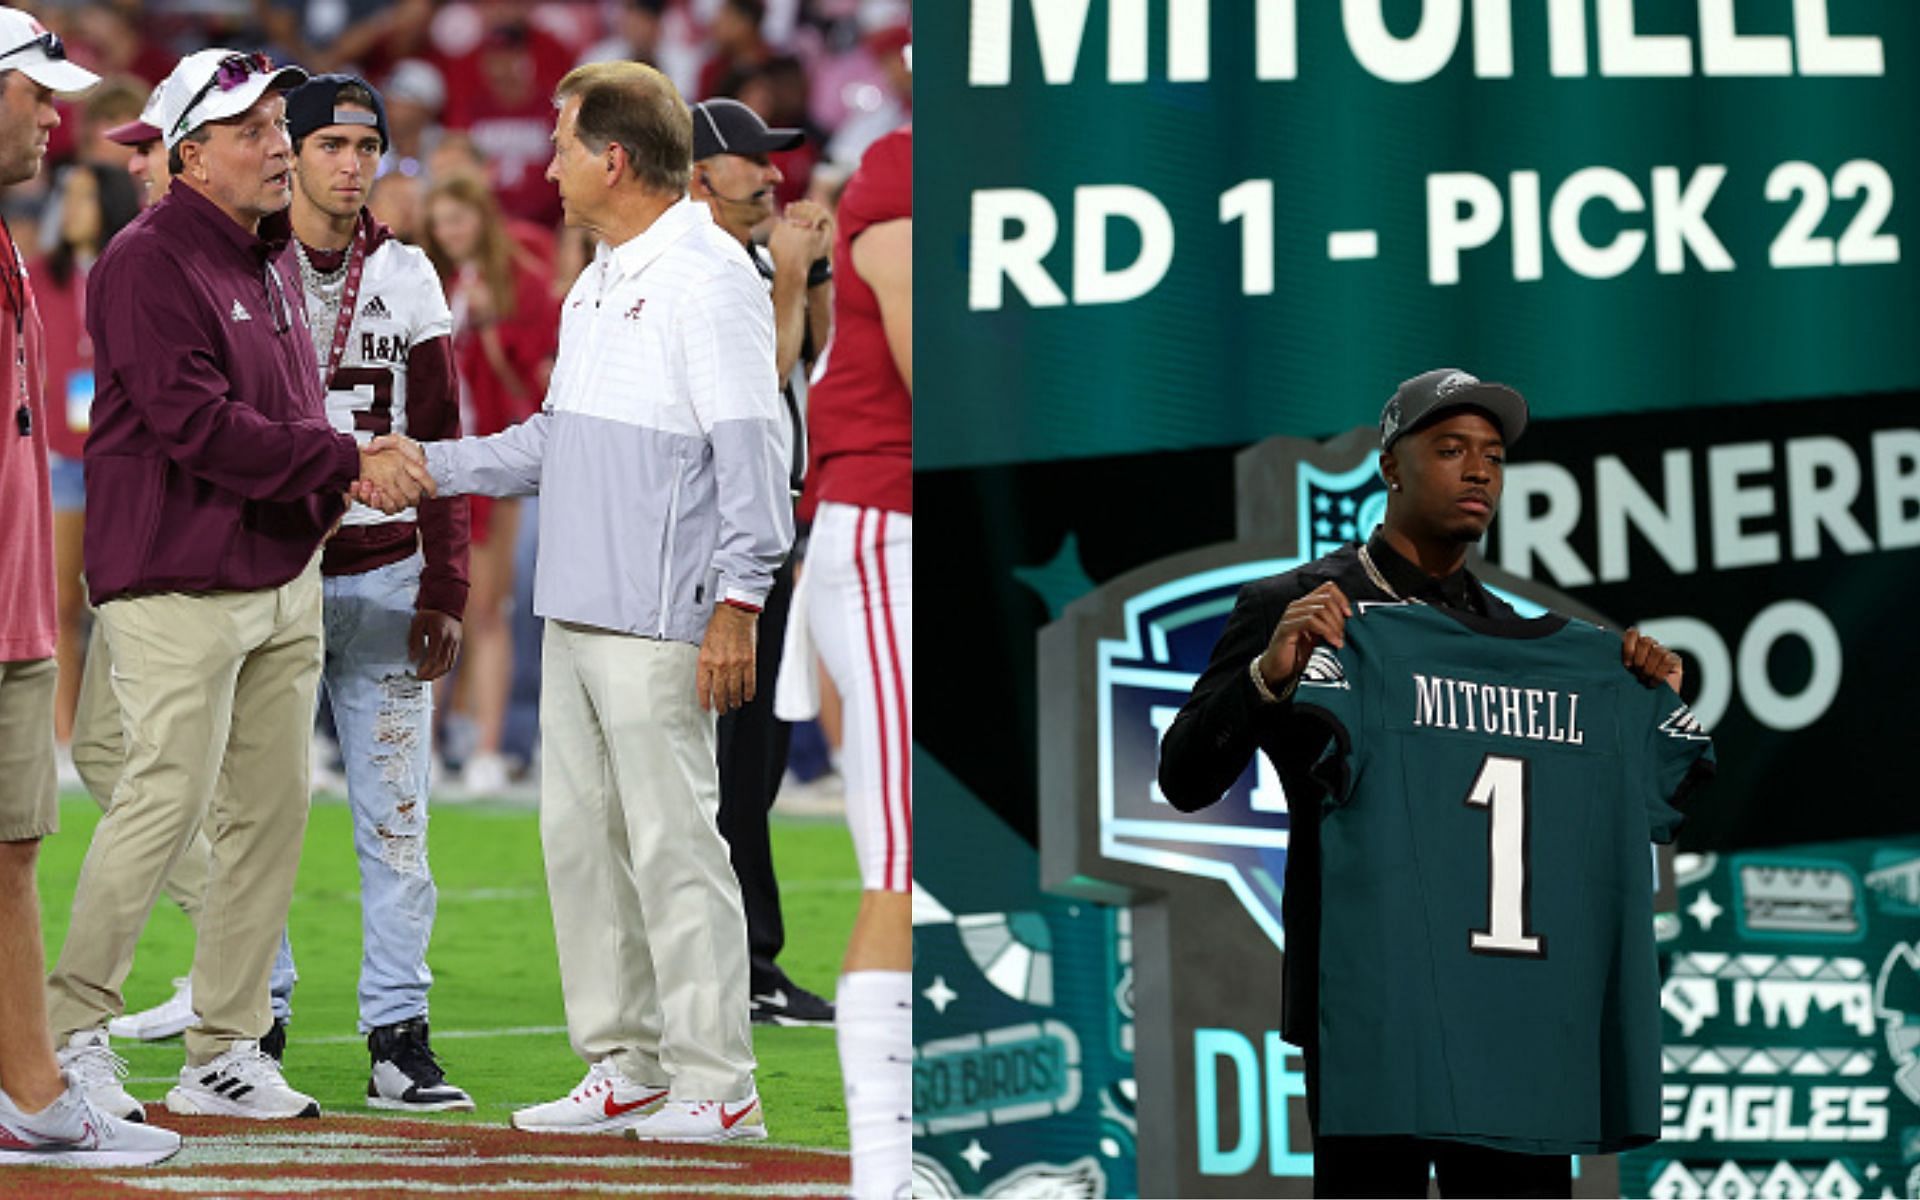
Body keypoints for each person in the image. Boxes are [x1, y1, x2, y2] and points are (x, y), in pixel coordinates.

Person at [359, 59, 790, 1142]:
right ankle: (626, 1063)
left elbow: (757, 446)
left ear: (611, 157)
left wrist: (741, 597)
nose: (540, 167)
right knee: (583, 846)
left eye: (557, 147)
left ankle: (718, 1081)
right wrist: (430, 464)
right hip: (579, 603)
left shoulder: (710, 271)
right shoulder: (600, 273)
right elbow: (556, 441)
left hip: (661, 612)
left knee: (676, 846)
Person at [1157, 368, 1685, 1198]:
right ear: (1391, 467)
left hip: (1516, 1006)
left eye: (1494, 456)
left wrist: (1638, 686)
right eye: (1449, 449)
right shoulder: (1296, 603)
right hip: (1370, 1002)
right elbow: (1185, 777)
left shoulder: (1524, 643)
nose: (1479, 472)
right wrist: (1266, 674)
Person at [44, 46, 433, 1124]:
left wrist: (325, 479)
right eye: (254, 131)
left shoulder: (256, 257)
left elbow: (296, 414)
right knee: (162, 804)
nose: (279, 145)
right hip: (175, 576)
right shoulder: (149, 258)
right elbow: (195, 425)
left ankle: (225, 1048)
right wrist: (344, 465)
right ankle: (70, 1033)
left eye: (278, 126)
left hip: (274, 573)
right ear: (191, 154)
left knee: (269, 818)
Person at [0, 6, 178, 1167]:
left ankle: (33, 1082)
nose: (56, 114)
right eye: (36, 90)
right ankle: (33, 1094)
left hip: (14, 604)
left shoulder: (10, 240)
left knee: (12, 851)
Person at [281, 71, 474, 1111]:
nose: (352, 165)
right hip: (268, 578)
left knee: (398, 824)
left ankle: (399, 1035)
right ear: (294, 152)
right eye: (333, 145)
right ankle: (250, 1020)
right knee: (255, 816)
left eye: (368, 147)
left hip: (385, 570)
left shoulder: (409, 274)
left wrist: (448, 579)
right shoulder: (247, 258)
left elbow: (440, 436)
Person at [776, 122, 912, 1200]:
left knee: (937, 856)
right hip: (892, 522)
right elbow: (930, 362)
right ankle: (884, 1170)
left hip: (928, 524)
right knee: (906, 861)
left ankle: (929, 1150)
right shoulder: (908, 167)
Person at [689, 95, 835, 1028]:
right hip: (725, 549)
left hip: (773, 536)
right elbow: (751, 390)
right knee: (731, 767)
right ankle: (736, 965)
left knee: (757, 764)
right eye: (753, 159)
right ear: (699, 173)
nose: (775, 174)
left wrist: (809, 279)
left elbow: (806, 361)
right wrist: (788, 279)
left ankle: (749, 959)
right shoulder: (702, 266)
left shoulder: (745, 256)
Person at [420, 173, 557, 793]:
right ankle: (422, 745)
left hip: (496, 463)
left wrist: (491, 328)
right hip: (436, 463)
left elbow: (539, 375)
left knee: (489, 608)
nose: (452, 232)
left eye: (461, 218)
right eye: (442, 222)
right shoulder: (426, 281)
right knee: (432, 605)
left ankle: (487, 746)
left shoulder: (519, 282)